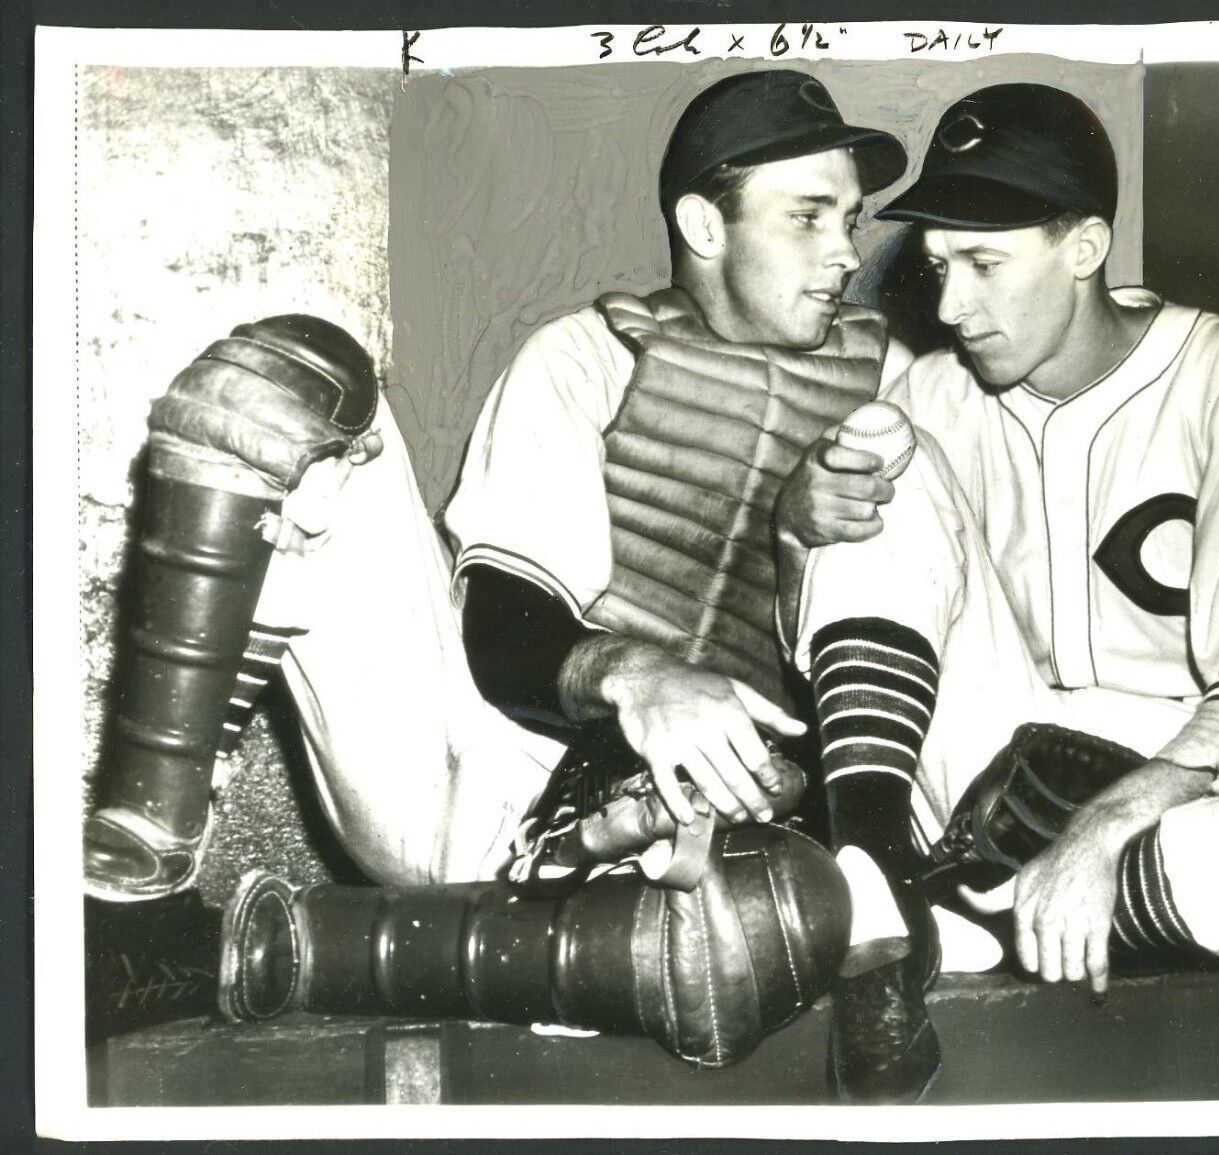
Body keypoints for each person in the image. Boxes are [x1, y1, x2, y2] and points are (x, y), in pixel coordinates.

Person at [82, 69, 917, 1078]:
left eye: (853, 219)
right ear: (705, 225)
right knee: (281, 385)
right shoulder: (587, 356)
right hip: (469, 753)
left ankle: (240, 953)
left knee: (757, 931)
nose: (846, 250)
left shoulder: (895, 384)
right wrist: (637, 674)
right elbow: (505, 628)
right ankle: (135, 884)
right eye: (810, 217)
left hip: (652, 854)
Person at [777, 83, 1219, 1103]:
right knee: (880, 458)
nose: (951, 305)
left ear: (1084, 247)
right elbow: (830, 620)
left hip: (1173, 786)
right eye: (939, 266)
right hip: (974, 777)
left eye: (985, 266)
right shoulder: (934, 390)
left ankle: (983, 919)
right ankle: (878, 885)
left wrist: (1102, 834)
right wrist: (801, 523)